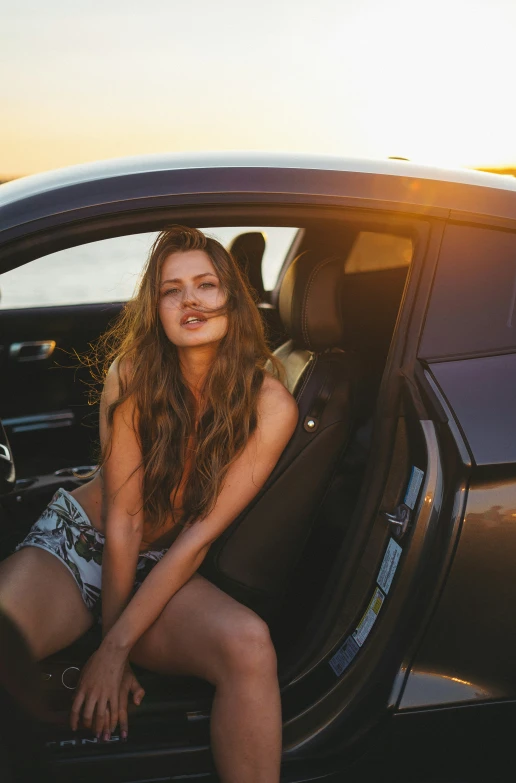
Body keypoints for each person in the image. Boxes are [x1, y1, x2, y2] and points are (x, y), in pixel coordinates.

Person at [0, 226, 298, 783]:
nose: (190, 300)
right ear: (155, 308)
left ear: (232, 297)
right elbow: (124, 520)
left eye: (206, 285)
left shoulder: (270, 402)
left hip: (165, 566)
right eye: (171, 290)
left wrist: (116, 650)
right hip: (80, 544)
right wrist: (117, 650)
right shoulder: (132, 374)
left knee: (249, 644)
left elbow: (198, 538)